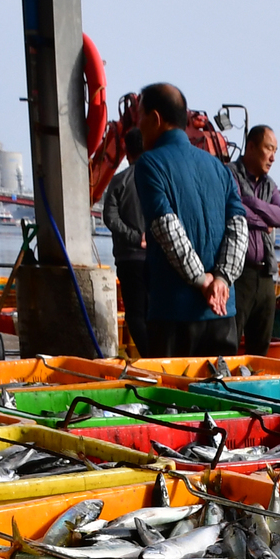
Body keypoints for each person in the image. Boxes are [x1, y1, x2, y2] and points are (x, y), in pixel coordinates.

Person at [131, 82, 247, 355]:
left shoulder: (149, 164)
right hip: (221, 314)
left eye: (140, 115)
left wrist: (202, 280)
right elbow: (239, 228)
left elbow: (167, 229)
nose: (137, 124)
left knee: (172, 397)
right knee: (218, 395)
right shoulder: (219, 168)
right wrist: (221, 279)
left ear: (156, 119)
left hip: (174, 315)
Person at [232, 124, 280, 353]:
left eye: (275, 151)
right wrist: (266, 221)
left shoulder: (269, 185)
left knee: (260, 346)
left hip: (265, 275)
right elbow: (234, 211)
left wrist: (252, 202)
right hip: (238, 274)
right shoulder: (230, 174)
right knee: (230, 340)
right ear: (251, 147)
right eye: (268, 149)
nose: (272, 157)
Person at [103, 127, 150, 354]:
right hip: (158, 260)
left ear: (126, 151)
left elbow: (109, 217)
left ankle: (151, 356)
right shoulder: (159, 180)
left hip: (129, 258)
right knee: (155, 312)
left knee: (135, 314)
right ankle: (161, 357)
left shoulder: (119, 182)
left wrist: (134, 237)